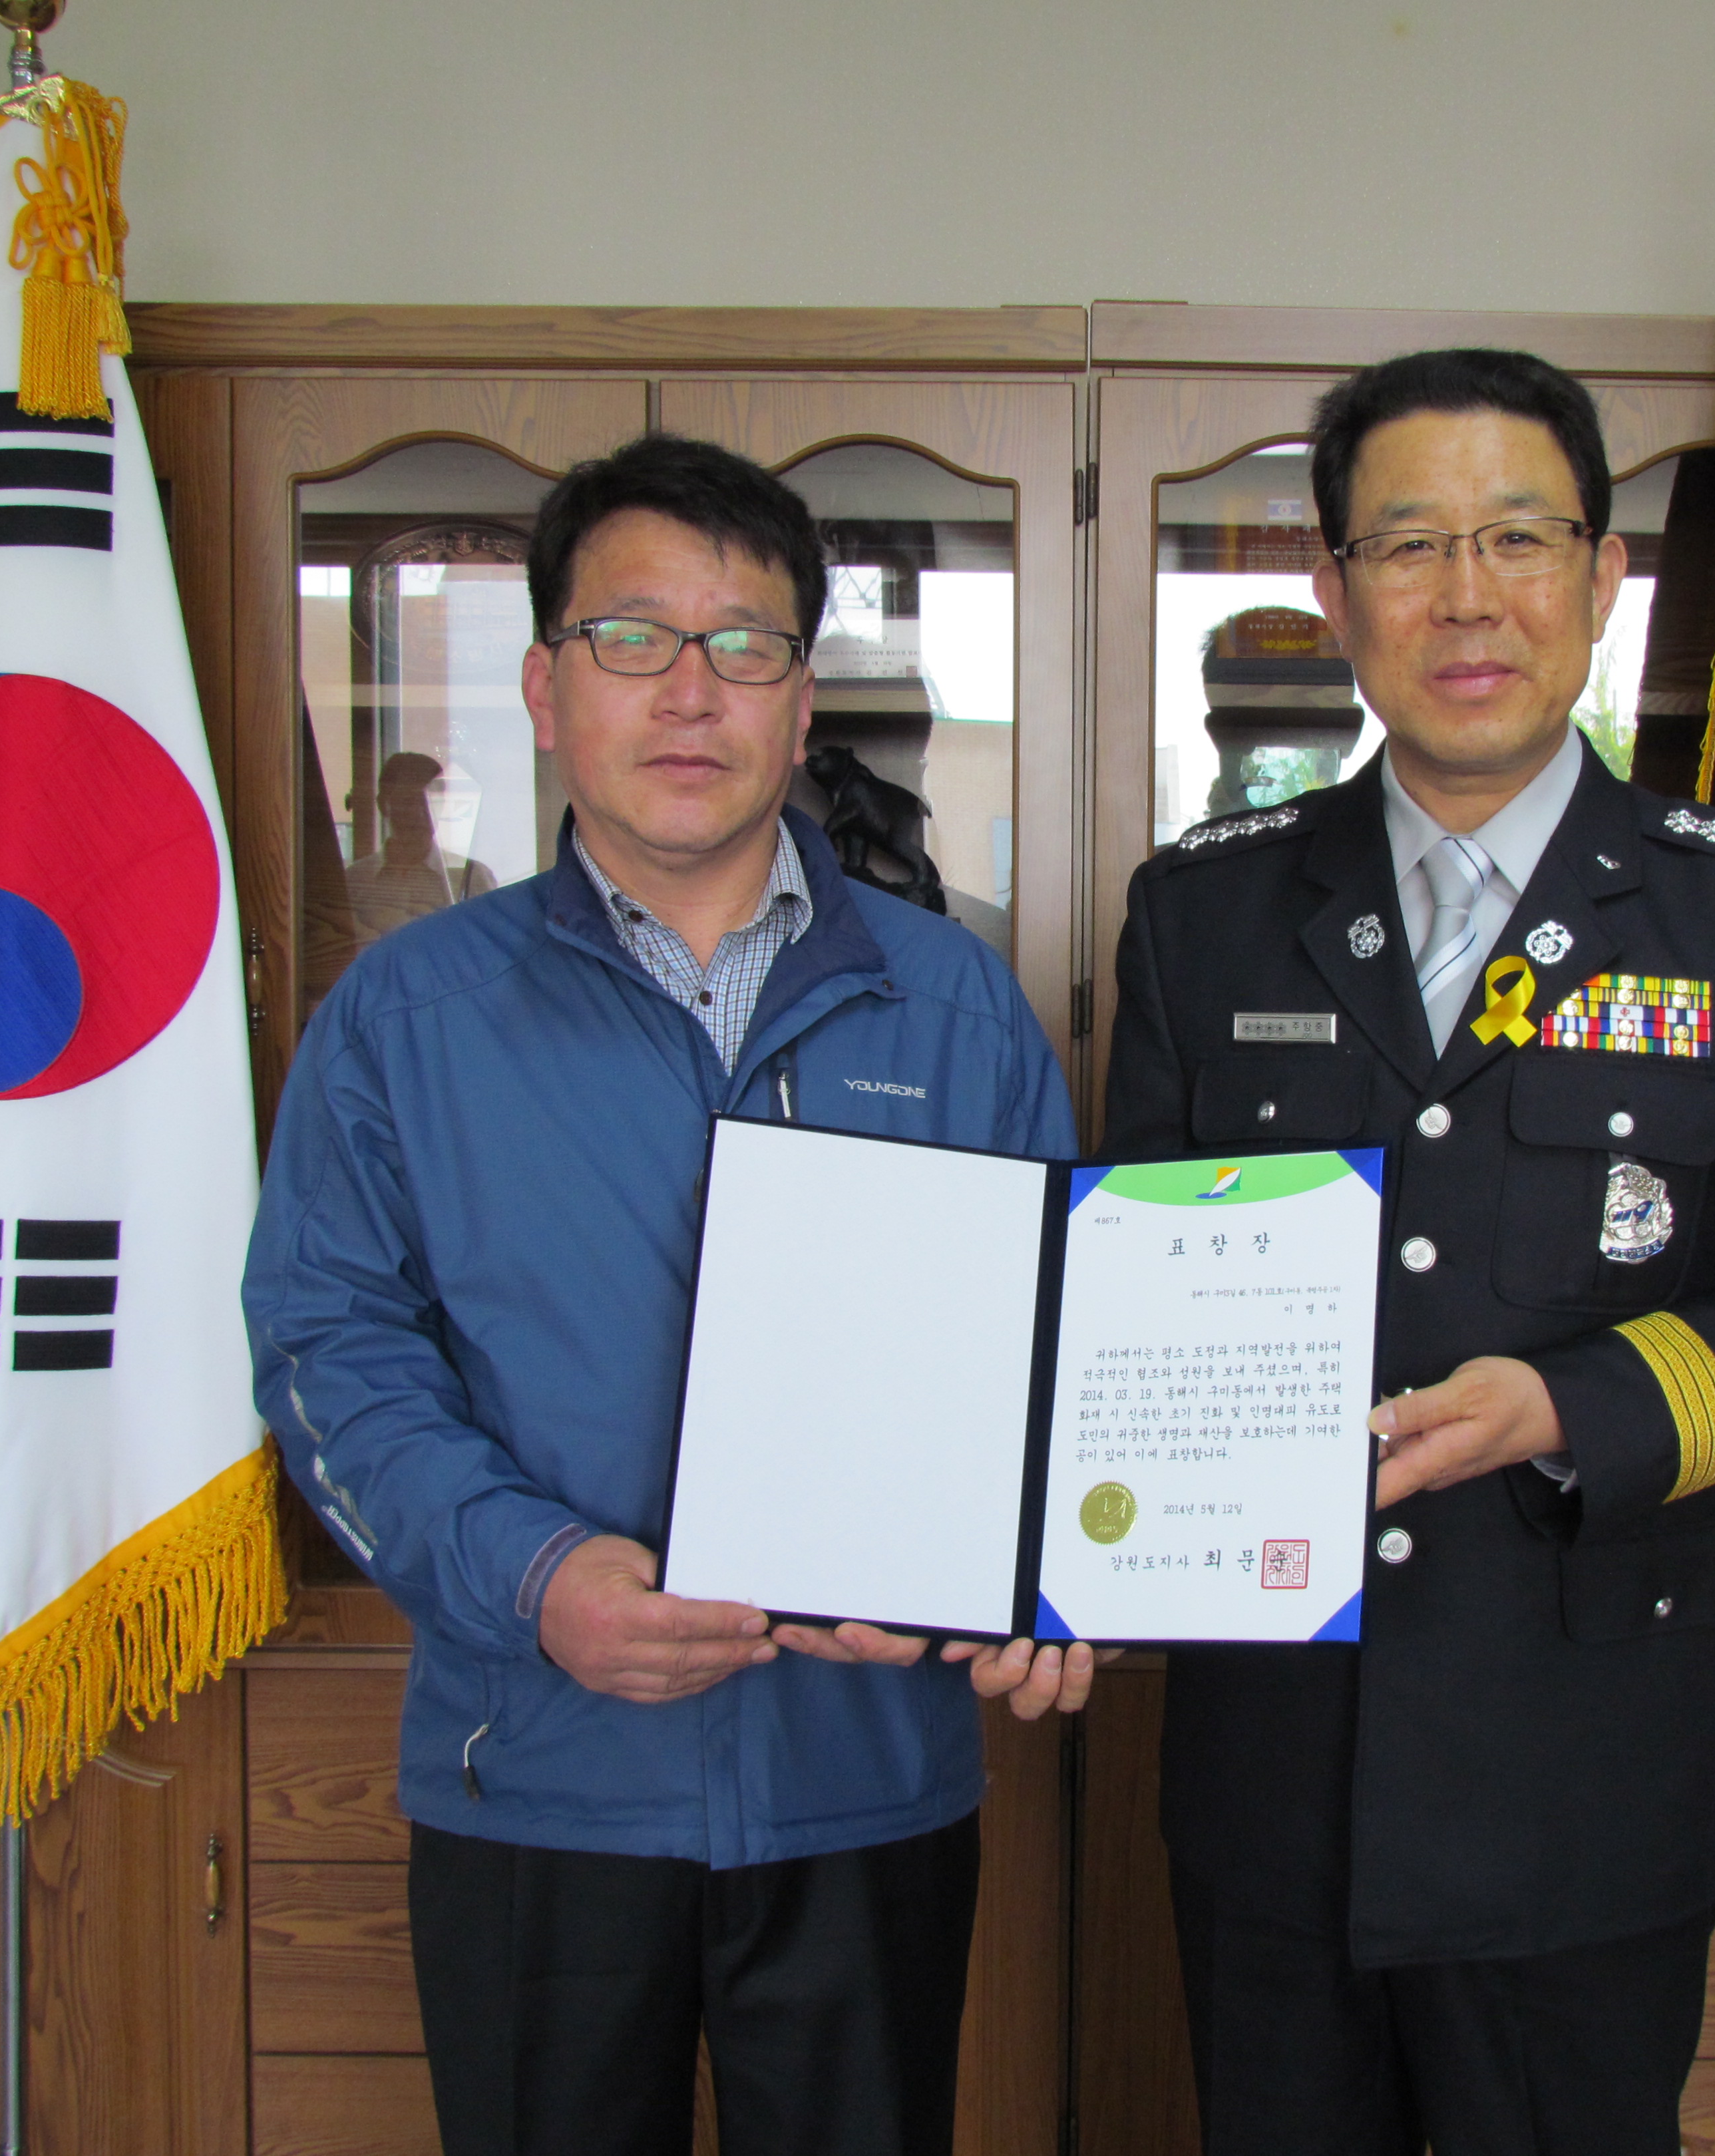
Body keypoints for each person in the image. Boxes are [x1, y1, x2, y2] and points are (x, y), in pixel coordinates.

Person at [1102, 349, 1715, 2156]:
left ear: (1603, 576)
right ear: (1335, 591)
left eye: (1519, 538)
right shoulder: (1206, 912)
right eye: (1407, 544)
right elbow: (1122, 1312)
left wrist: (1571, 1405)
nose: (1466, 596)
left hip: (1584, 1773)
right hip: (1278, 1774)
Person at [244, 433, 1099, 2156]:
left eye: (746, 645)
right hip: (537, 1780)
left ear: (803, 702)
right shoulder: (406, 1018)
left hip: (864, 1786)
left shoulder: (953, 1008)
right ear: (546, 686)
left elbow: (1056, 1359)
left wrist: (1059, 1579)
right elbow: (330, 1353)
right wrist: (535, 1575)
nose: (690, 691)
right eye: (633, 639)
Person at [343, 749, 498, 939]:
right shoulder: (354, 882)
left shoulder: (472, 878)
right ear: (384, 805)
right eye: (408, 802)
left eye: (429, 803)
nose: (419, 813)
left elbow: (489, 947)